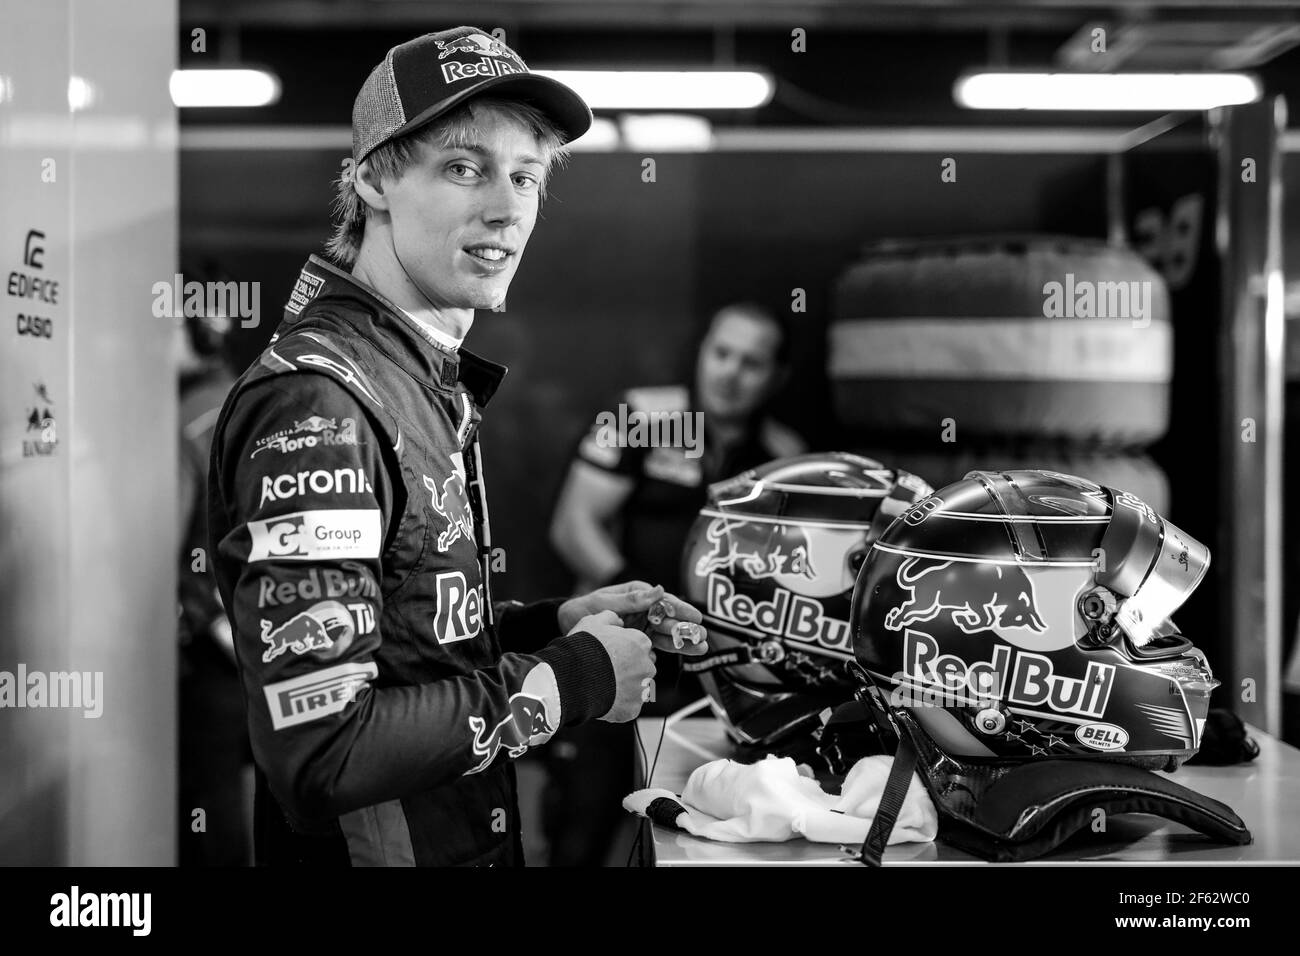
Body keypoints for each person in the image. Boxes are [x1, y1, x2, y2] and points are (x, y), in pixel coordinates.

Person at [206, 25, 705, 867]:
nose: (506, 207)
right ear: (373, 178)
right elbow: (321, 753)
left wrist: (550, 626)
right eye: (463, 167)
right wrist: (570, 679)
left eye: (525, 176)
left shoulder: (416, 371)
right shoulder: (321, 401)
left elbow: (405, 645)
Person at [541, 303, 806, 865]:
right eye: (722, 353)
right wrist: (640, 605)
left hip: (715, 666)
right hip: (617, 646)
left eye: (751, 363)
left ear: (778, 377)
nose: (730, 372)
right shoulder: (645, 414)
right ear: (702, 351)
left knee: (688, 835)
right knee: (581, 823)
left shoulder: (786, 458)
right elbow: (572, 525)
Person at [175, 272, 252, 866]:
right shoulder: (243, 398)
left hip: (209, 645)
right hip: (255, 638)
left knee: (208, 803)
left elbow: (159, 541)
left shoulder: (188, 417)